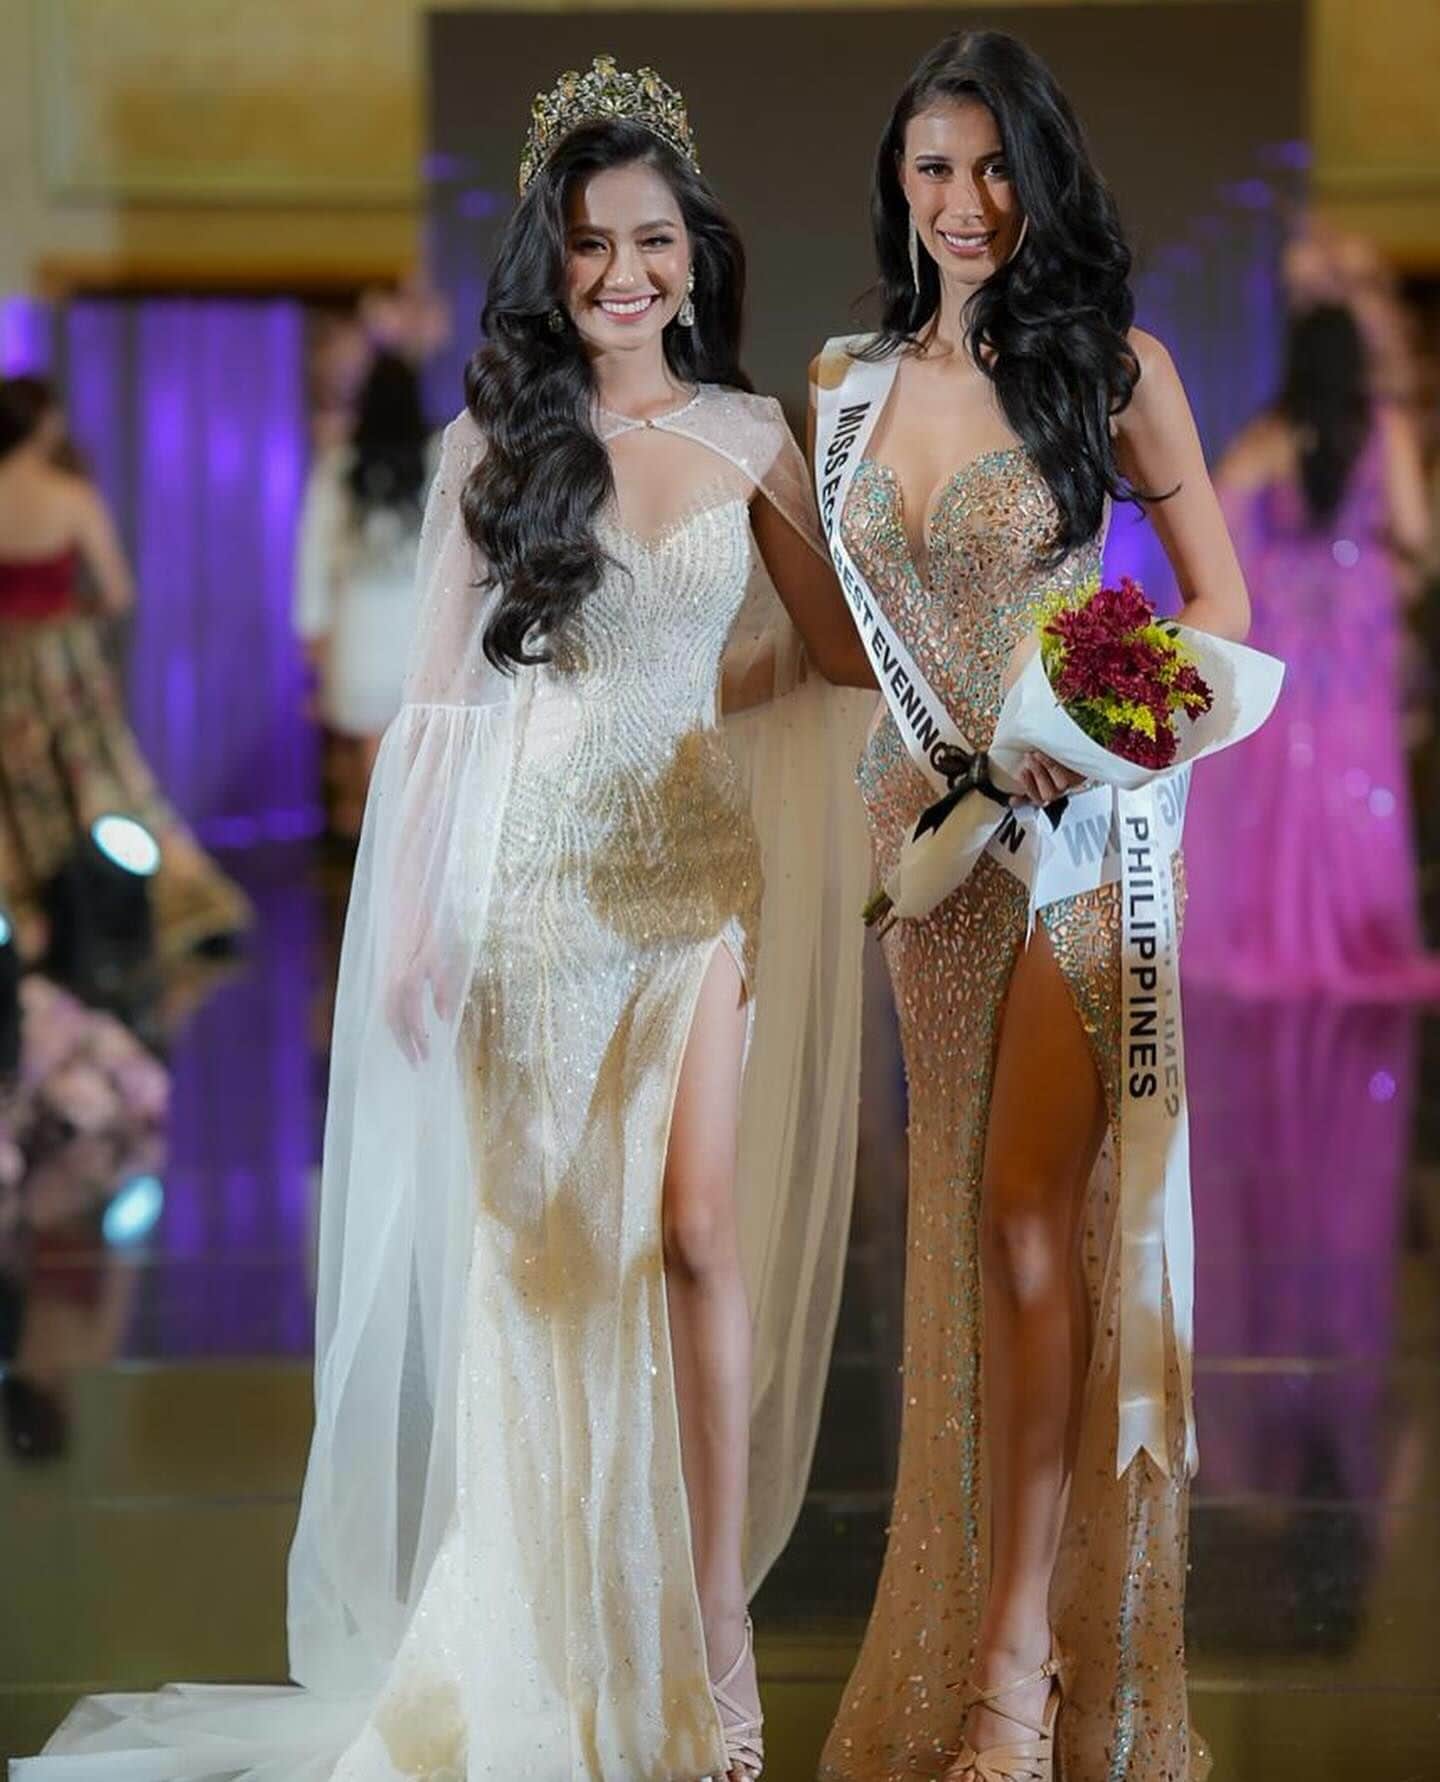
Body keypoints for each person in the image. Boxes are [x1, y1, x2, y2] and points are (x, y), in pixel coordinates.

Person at [19, 55, 874, 1782]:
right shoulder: (494, 447)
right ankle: (550, 1621)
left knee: (699, 1230)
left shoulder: (750, 439)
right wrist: (407, 923)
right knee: (542, 1261)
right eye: (590, 245)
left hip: (695, 877)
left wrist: (705, 688)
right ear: (553, 262)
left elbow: (837, 648)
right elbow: (432, 711)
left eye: (651, 240)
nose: (623, 273)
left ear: (695, 253)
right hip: (529, 891)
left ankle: (712, 1623)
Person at [811, 31, 1249, 1782]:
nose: (966, 200)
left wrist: (1111, 718)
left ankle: (1020, 1671)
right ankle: (982, 1626)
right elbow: (838, 631)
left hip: (1073, 842)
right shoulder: (845, 382)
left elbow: (1218, 599)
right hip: (926, 846)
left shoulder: (1113, 365)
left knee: (1024, 1221)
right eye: (934, 165)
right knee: (954, 1235)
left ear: (1040, 175)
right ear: (897, 180)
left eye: (995, 166)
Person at [1182, 302, 1438, 995]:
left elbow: (1216, 512)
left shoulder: (1272, 434)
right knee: (1355, 775)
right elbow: (1416, 535)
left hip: (1285, 631)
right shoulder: (1384, 429)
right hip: (1356, 634)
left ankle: (1281, 934)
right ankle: (1353, 933)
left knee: (1281, 781)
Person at [0, 375, 252, 962]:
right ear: (44, 422)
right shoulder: (70, 495)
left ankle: (27, 924)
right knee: (104, 781)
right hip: (64, 665)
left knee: (17, 795)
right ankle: (159, 909)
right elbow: (117, 591)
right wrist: (69, 614)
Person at [294, 350, 435, 839]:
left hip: (358, 625)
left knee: (373, 754)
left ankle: (381, 856)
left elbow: (312, 554)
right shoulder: (439, 458)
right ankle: (403, 856)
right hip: (416, 625)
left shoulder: (339, 466)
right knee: (410, 756)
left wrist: (312, 631)